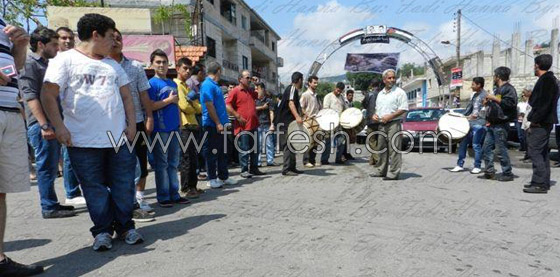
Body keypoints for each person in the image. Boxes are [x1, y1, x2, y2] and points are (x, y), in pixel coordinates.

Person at [42, 13, 143, 251]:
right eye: (110, 37)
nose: (114, 43)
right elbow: (48, 94)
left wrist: (131, 126)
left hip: (118, 139)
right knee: (93, 188)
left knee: (123, 184)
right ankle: (103, 231)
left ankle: (126, 226)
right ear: (95, 35)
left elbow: (127, 96)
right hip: (82, 140)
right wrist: (59, 126)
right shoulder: (64, 60)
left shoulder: (112, 65)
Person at [0, 17, 45, 276]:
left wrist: (20, 44)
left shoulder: (3, 21)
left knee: (2, 191)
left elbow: (12, 70)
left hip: (8, 110)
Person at [19, 27, 77, 219]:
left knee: (52, 166)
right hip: (42, 125)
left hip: (53, 123)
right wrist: (44, 125)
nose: (57, 47)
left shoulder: (48, 64)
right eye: (53, 43)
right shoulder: (29, 64)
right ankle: (49, 207)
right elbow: (30, 97)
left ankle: (52, 203)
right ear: (41, 44)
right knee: (45, 167)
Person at [109, 29, 155, 221]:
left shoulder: (135, 67)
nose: (115, 41)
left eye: (119, 38)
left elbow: (144, 94)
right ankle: (119, 205)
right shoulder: (100, 66)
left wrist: (149, 116)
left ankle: (138, 198)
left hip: (136, 122)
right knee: (118, 166)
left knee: (140, 163)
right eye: (112, 38)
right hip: (111, 125)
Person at [147, 49, 190, 207]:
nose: (161, 65)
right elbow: (150, 106)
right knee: (162, 164)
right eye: (158, 62)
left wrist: (179, 124)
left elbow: (177, 105)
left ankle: (175, 193)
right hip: (160, 130)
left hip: (174, 129)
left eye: (164, 62)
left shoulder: (172, 83)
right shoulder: (151, 84)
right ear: (152, 64)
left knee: (173, 163)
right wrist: (169, 100)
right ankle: (163, 196)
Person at [55, 26, 84, 206]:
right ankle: (71, 192)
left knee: (76, 154)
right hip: (61, 117)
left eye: (70, 38)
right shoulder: (56, 61)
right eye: (63, 38)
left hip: (77, 115)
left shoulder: (76, 60)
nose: (67, 41)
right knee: (68, 155)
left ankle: (77, 190)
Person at [523, 54, 559, 193]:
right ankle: (542, 181)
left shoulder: (547, 80)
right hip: (543, 121)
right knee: (542, 153)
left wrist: (534, 121)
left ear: (537, 65)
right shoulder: (547, 80)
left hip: (541, 123)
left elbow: (544, 105)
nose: (533, 67)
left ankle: (539, 184)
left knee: (535, 152)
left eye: (534, 65)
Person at [200, 62, 237, 188]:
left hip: (221, 124)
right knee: (212, 152)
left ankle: (223, 176)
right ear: (219, 71)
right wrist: (217, 122)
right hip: (211, 124)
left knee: (222, 151)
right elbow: (209, 105)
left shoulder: (215, 85)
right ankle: (211, 178)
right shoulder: (207, 85)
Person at [370, 69, 408, 180]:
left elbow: (403, 108)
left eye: (393, 78)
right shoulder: (380, 94)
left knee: (394, 149)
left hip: (394, 124)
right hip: (381, 124)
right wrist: (374, 116)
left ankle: (393, 173)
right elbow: (378, 109)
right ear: (384, 80)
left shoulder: (399, 92)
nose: (392, 80)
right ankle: (381, 170)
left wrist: (390, 116)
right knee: (381, 148)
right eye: (389, 78)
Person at [226, 70, 265, 178]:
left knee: (255, 148)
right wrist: (237, 116)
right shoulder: (235, 91)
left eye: (250, 78)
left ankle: (254, 168)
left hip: (253, 124)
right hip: (243, 126)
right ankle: (244, 170)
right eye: (247, 78)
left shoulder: (250, 90)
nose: (249, 79)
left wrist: (258, 84)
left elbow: (260, 96)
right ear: (240, 79)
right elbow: (228, 105)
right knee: (244, 149)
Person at [481, 67, 517, 182]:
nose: (494, 77)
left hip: (501, 124)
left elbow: (510, 104)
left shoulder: (509, 89)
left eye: (495, 75)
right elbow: (496, 105)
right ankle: (489, 171)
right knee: (486, 148)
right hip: (492, 124)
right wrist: (487, 103)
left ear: (499, 76)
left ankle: (507, 173)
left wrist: (494, 98)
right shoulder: (497, 90)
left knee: (501, 150)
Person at [175, 57, 204, 199]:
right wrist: (192, 105)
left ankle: (193, 186)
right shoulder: (178, 85)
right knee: (187, 158)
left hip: (193, 124)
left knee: (193, 157)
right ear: (178, 69)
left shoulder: (187, 86)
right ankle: (186, 188)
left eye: (189, 69)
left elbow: (200, 108)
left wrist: (192, 105)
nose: (187, 71)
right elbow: (184, 106)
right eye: (184, 68)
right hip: (185, 126)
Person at [450, 77, 488, 174]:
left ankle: (477, 166)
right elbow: (469, 108)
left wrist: (477, 116)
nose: (471, 86)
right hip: (470, 124)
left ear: (479, 85)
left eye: (473, 84)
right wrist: (460, 116)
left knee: (476, 145)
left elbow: (486, 110)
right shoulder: (475, 96)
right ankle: (459, 165)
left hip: (479, 124)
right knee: (463, 143)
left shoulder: (486, 96)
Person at [275, 72, 304, 176]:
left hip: (288, 123)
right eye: (302, 80)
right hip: (284, 122)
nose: (302, 82)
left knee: (292, 144)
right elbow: (291, 103)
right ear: (299, 80)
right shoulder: (292, 88)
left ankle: (292, 167)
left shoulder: (293, 90)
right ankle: (286, 169)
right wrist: (297, 117)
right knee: (288, 145)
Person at [186, 64, 207, 180]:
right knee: (196, 144)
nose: (205, 75)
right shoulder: (190, 84)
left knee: (200, 143)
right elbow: (187, 100)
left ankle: (199, 170)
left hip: (198, 117)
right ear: (199, 73)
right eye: (204, 73)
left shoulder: (199, 85)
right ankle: (197, 171)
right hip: (193, 118)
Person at [322, 82, 349, 165]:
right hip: (329, 123)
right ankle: (324, 159)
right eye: (338, 90)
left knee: (342, 141)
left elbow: (344, 108)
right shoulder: (328, 97)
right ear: (335, 88)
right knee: (328, 142)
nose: (338, 92)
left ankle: (338, 158)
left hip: (339, 124)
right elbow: (325, 109)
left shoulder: (341, 98)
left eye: (340, 91)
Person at [300, 75, 322, 167]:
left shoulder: (316, 95)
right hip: (308, 121)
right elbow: (301, 107)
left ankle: (312, 160)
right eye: (314, 82)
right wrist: (306, 115)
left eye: (317, 82)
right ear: (309, 83)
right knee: (308, 141)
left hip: (317, 121)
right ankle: (306, 161)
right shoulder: (305, 95)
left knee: (316, 141)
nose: (316, 84)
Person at [255, 82, 276, 167]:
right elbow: (252, 109)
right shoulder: (254, 100)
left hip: (267, 124)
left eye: (257, 89)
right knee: (258, 144)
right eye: (255, 89)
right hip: (257, 125)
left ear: (263, 89)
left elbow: (271, 112)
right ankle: (258, 162)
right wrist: (262, 107)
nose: (256, 91)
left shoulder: (269, 101)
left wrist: (272, 124)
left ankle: (270, 160)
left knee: (269, 143)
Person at [362, 79, 381, 166]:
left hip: (371, 121)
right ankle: (372, 160)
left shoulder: (369, 94)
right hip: (381, 121)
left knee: (372, 141)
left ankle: (378, 159)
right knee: (377, 141)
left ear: (371, 85)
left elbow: (364, 105)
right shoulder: (382, 94)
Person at [520, 85, 534, 163]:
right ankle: (527, 155)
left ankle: (530, 157)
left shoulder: (534, 100)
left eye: (524, 91)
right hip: (526, 124)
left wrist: (530, 125)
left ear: (529, 92)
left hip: (529, 124)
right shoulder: (530, 100)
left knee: (530, 142)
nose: (523, 93)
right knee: (526, 141)